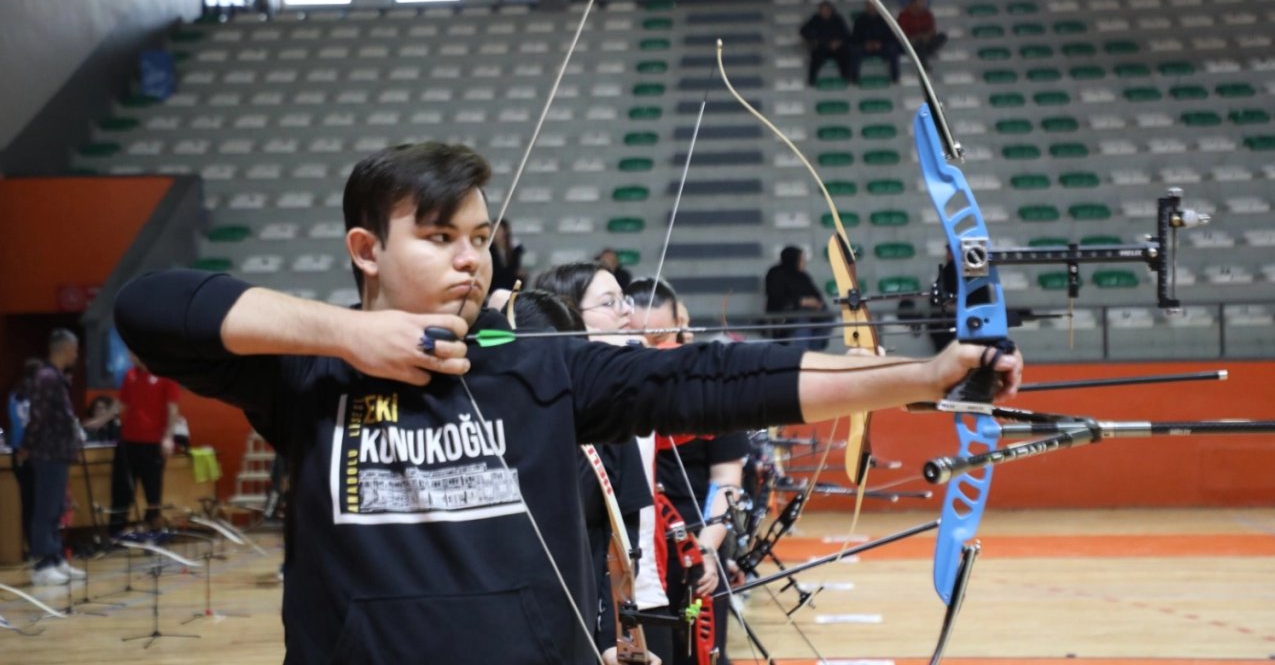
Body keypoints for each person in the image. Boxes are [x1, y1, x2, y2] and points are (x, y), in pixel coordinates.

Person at [113, 141, 1021, 664]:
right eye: (436, 238)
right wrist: (350, 337)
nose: (470, 259)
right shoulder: (307, 373)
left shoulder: (541, 367)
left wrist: (926, 376)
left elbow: (715, 377)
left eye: (477, 237)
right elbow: (149, 308)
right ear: (366, 248)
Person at [534, 263, 666, 664]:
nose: (627, 312)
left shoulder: (616, 407)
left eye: (624, 300)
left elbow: (619, 542)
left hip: (600, 612)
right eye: (610, 303)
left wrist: (615, 638)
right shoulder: (529, 405)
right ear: (567, 318)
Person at [627, 279, 742, 664]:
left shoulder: (707, 387)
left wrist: (708, 547)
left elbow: (727, 482)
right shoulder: (616, 391)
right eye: (644, 340)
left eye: (663, 338)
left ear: (682, 322)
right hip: (637, 555)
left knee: (699, 652)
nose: (657, 352)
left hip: (697, 550)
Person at [21, 329, 117, 585]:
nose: (76, 355)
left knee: (56, 508)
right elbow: (38, 417)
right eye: (74, 350)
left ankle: (56, 558)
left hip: (60, 452)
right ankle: (42, 564)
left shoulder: (57, 378)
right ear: (64, 349)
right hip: (47, 452)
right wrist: (26, 446)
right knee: (45, 508)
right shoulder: (45, 377)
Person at [109, 354, 182, 534]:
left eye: (132, 353)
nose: (129, 357)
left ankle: (153, 529)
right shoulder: (130, 375)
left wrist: (168, 438)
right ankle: (117, 529)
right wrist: (99, 420)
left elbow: (172, 408)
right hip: (128, 442)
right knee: (122, 487)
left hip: (153, 443)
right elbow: (121, 403)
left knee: (153, 490)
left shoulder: (166, 375)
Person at [6, 359, 42, 560]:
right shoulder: (38, 396)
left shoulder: (14, 396)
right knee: (39, 504)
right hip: (35, 453)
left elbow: (15, 424)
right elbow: (32, 424)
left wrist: (20, 449)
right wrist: (27, 448)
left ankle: (30, 545)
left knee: (28, 503)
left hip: (18, 453)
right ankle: (40, 547)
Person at [765, 246, 832, 351]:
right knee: (802, 320)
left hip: (810, 314)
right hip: (786, 316)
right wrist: (802, 302)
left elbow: (815, 294)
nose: (804, 262)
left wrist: (817, 303)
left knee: (828, 317)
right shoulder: (776, 273)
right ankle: (801, 355)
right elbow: (777, 298)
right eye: (801, 259)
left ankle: (813, 352)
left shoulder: (803, 276)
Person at [799, 0, 853, 86]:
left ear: (830, 10)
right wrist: (814, 40)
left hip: (837, 48)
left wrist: (839, 42)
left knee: (845, 54)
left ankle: (847, 80)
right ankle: (811, 81)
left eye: (825, 9)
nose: (823, 12)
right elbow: (803, 31)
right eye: (821, 10)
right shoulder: (815, 19)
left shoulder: (838, 19)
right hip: (822, 47)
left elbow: (847, 35)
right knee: (816, 56)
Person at [849, 1, 901, 85]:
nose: (871, 8)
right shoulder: (860, 21)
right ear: (866, 7)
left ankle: (895, 78)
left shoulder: (885, 20)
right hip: (865, 48)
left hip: (881, 48)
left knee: (893, 49)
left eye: (873, 6)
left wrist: (881, 44)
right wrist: (865, 44)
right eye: (869, 6)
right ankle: (854, 79)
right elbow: (855, 38)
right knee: (854, 50)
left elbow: (891, 37)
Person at [897, 0, 948, 72]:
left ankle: (928, 50)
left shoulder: (927, 14)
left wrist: (927, 36)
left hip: (926, 39)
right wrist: (918, 37)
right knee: (918, 44)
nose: (923, 4)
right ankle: (924, 66)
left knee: (942, 36)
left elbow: (932, 29)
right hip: (912, 41)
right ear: (913, 2)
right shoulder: (904, 15)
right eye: (920, 1)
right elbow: (903, 32)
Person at [488, 219, 526, 294]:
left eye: (498, 229)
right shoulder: (489, 250)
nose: (495, 232)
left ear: (505, 230)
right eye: (492, 229)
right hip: (495, 290)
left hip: (512, 289)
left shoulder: (515, 248)